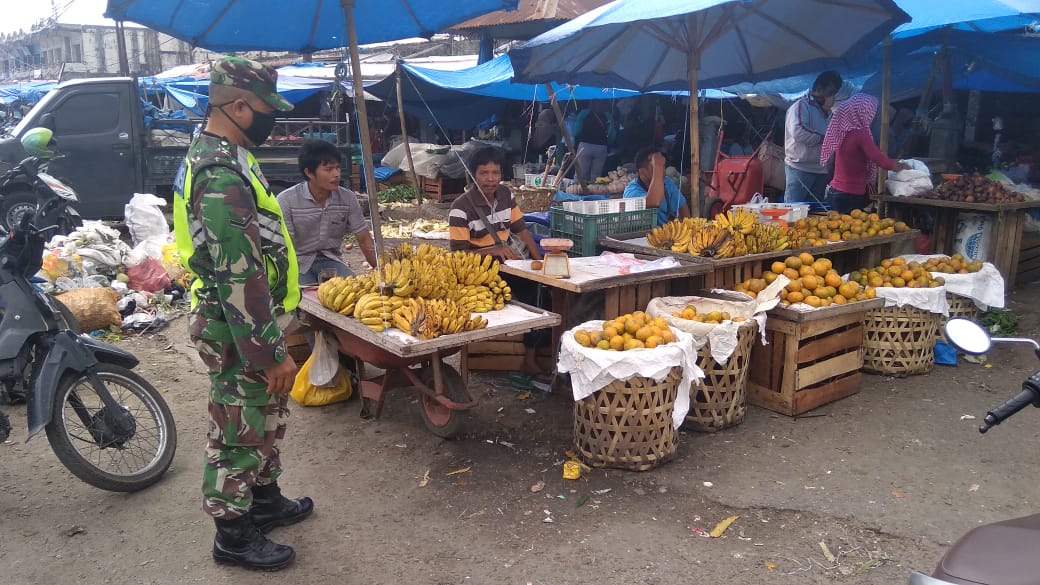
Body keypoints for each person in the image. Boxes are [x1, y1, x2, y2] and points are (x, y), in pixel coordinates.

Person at [172, 56, 312, 572]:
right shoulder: (217, 173)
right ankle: (232, 533)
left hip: (254, 320)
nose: (271, 119)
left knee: (265, 416)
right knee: (238, 428)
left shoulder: (230, 156)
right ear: (236, 106)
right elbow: (239, 273)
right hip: (238, 326)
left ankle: (264, 501)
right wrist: (269, 351)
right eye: (264, 109)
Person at [448, 146, 551, 382]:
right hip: (478, 271)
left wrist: (538, 262)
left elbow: (522, 230)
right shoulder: (460, 209)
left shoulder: (506, 195)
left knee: (541, 294)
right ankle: (484, 356)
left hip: (510, 264)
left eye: (495, 173)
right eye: (484, 173)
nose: (491, 179)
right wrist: (493, 250)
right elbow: (459, 256)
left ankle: (531, 356)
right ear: (473, 175)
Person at [277, 139, 377, 284]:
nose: (336, 174)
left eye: (337, 168)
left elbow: (364, 239)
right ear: (309, 173)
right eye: (329, 169)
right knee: (306, 297)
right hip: (298, 263)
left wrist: (383, 271)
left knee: (355, 289)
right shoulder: (287, 200)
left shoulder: (347, 198)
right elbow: (286, 247)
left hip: (331, 261)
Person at [819, 93, 910, 215]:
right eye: (871, 112)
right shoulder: (860, 134)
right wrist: (900, 166)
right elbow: (880, 160)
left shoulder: (841, 131)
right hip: (850, 195)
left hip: (834, 191)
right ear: (863, 112)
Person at [784, 71, 843, 204]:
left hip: (821, 170)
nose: (832, 97)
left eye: (834, 93)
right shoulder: (801, 106)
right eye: (830, 92)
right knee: (794, 210)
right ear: (819, 89)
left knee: (815, 214)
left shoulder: (830, 114)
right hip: (800, 168)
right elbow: (798, 131)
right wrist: (823, 139)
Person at [624, 147, 690, 226]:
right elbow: (654, 203)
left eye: (663, 166)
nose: (663, 171)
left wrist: (688, 227)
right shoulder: (632, 192)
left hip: (666, 233)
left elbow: (682, 207)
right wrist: (657, 164)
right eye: (655, 167)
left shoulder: (667, 182)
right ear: (642, 172)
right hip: (643, 236)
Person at [572, 101, 616, 182]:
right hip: (601, 147)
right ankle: (593, 192)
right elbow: (612, 135)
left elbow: (577, 131)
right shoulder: (608, 115)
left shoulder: (584, 113)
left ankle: (578, 191)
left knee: (581, 174)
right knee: (596, 176)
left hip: (585, 146)